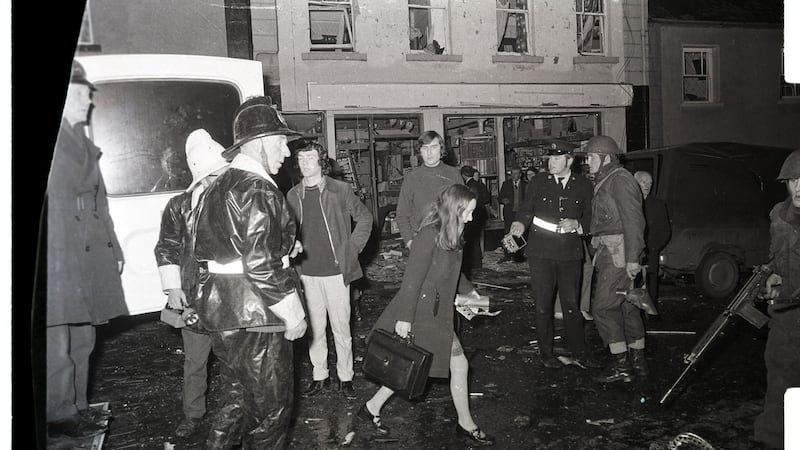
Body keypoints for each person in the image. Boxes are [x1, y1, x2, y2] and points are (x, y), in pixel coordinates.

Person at [190, 96, 308, 449]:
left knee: (236, 399)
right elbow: (258, 264)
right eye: (281, 143)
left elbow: (215, 248)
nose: (286, 153)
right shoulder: (257, 189)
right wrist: (293, 312)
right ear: (258, 144)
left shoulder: (215, 186)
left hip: (225, 314)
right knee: (271, 414)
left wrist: (282, 246)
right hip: (258, 316)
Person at [360, 184, 495, 446]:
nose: (470, 217)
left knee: (408, 364)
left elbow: (457, 272)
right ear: (454, 209)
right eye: (467, 212)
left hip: (438, 311)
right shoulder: (427, 236)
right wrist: (405, 318)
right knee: (447, 364)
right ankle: (465, 424)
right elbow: (412, 279)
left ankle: (371, 408)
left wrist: (472, 294)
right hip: (423, 312)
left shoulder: (453, 232)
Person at [43, 60, 127, 440]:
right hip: (57, 251)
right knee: (56, 338)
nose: (89, 101)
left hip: (89, 250)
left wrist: (114, 246)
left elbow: (101, 201)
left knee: (84, 336)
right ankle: (58, 412)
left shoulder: (84, 144)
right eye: (81, 94)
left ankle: (77, 406)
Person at [154, 129, 229, 437]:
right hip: (193, 298)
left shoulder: (232, 201)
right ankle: (193, 414)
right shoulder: (178, 206)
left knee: (233, 363)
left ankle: (231, 414)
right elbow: (166, 247)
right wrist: (173, 288)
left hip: (228, 298)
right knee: (195, 362)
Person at [286, 142, 373, 401]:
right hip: (307, 273)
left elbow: (366, 218)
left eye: (310, 158)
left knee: (341, 327)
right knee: (314, 328)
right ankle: (319, 375)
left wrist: (352, 248)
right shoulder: (293, 195)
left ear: (321, 162)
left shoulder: (340, 190)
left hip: (336, 273)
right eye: (301, 159)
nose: (305, 164)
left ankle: (345, 376)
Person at [510, 140, 599, 369]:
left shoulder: (583, 185)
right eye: (550, 158)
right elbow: (525, 209)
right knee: (543, 305)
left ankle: (578, 350)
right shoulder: (538, 182)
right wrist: (519, 224)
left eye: (557, 158)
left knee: (571, 304)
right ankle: (546, 352)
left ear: (569, 160)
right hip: (541, 253)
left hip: (569, 253)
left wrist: (578, 224)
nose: (552, 162)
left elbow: (592, 217)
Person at [581, 136, 646, 383]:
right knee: (627, 307)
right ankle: (638, 362)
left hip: (619, 253)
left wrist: (632, 258)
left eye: (591, 157)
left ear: (606, 158)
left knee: (603, 308)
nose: (587, 161)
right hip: (614, 251)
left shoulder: (619, 180)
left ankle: (621, 366)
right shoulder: (610, 179)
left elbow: (634, 220)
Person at [753, 149, 800, 448]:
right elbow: (779, 259)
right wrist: (771, 274)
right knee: (781, 376)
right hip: (786, 316)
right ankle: (775, 440)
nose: (799, 187)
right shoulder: (779, 215)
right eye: (793, 180)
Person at [395, 130, 462, 249]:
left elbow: (463, 209)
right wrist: (410, 241)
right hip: (420, 240)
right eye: (425, 148)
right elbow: (402, 214)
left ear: (441, 150)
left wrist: (457, 236)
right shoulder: (412, 178)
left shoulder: (453, 175)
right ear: (420, 151)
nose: (429, 153)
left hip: (449, 239)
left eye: (434, 147)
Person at [633, 171, 671, 308]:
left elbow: (665, 230)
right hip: (632, 252)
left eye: (649, 183)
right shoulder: (628, 203)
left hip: (650, 251)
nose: (647, 186)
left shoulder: (657, 204)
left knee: (651, 284)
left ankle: (652, 310)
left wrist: (653, 247)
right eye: (644, 182)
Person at [461, 165, 486, 276]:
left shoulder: (470, 186)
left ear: (463, 175)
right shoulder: (477, 184)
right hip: (477, 215)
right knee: (475, 240)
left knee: (472, 241)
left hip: (473, 216)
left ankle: (476, 265)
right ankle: (477, 264)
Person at [498, 168, 526, 262]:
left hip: (521, 214)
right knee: (508, 233)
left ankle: (519, 256)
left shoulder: (526, 184)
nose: (514, 176)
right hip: (509, 213)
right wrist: (503, 200)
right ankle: (507, 255)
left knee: (520, 234)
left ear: (520, 175)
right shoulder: (506, 184)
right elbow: (499, 198)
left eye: (516, 173)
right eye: (512, 174)